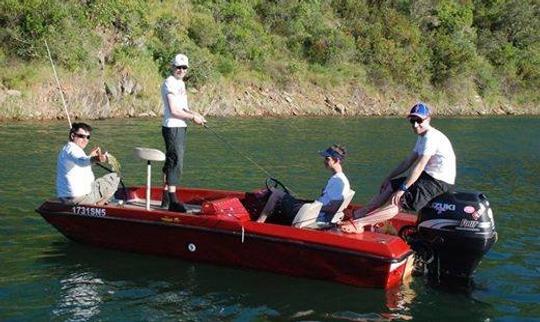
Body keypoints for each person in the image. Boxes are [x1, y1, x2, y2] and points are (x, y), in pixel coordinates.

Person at [341, 102, 456, 233]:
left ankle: (359, 223)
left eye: (419, 120)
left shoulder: (431, 137)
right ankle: (360, 214)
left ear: (428, 119)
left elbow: (419, 166)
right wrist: (388, 178)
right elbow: (407, 162)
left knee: (397, 199)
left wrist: (403, 189)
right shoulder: (422, 137)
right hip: (427, 176)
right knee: (390, 186)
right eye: (412, 121)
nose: (415, 125)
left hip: (438, 181)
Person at [257, 145, 351, 226]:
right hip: (312, 213)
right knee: (284, 196)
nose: (324, 161)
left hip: (311, 216)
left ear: (336, 160)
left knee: (276, 194)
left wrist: (310, 207)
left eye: (327, 159)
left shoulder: (338, 181)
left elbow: (332, 207)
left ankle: (259, 223)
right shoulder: (341, 179)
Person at [160, 53, 206, 212]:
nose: (181, 70)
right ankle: (173, 201)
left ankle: (165, 197)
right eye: (178, 67)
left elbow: (183, 108)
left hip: (180, 126)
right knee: (175, 161)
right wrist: (193, 118)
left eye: (184, 67)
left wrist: (196, 114)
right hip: (172, 126)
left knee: (171, 160)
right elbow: (173, 110)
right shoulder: (170, 83)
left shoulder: (180, 84)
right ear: (172, 67)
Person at [56, 122, 120, 205]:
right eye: (81, 136)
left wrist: (90, 156)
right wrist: (96, 158)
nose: (85, 140)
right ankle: (98, 205)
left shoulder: (67, 149)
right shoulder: (73, 149)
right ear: (72, 136)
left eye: (88, 137)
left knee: (98, 183)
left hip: (65, 197)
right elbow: (81, 161)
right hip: (80, 199)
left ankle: (97, 202)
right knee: (115, 177)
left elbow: (80, 162)